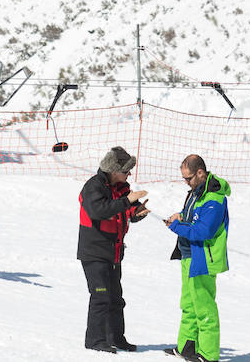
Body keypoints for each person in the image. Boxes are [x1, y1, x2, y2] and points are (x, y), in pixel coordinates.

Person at [77, 146, 149, 354]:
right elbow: (99, 211)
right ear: (113, 170)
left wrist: (136, 212)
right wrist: (127, 202)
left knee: (116, 299)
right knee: (100, 297)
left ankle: (116, 338)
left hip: (113, 252)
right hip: (94, 252)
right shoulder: (93, 187)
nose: (128, 175)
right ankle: (95, 340)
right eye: (126, 171)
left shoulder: (122, 187)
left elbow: (124, 210)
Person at [164, 155, 230, 362]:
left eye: (188, 178)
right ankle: (187, 346)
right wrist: (180, 216)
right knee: (189, 303)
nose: (186, 182)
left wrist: (176, 226)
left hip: (203, 258)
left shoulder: (214, 198)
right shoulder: (196, 191)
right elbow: (191, 216)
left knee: (204, 306)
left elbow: (204, 230)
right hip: (188, 255)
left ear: (200, 173)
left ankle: (209, 355)